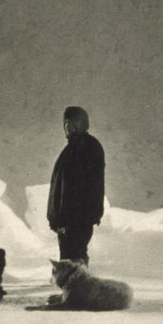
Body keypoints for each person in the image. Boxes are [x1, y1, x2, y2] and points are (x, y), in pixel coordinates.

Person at [46, 105, 105, 266]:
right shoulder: (70, 150)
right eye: (65, 123)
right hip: (67, 220)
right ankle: (69, 291)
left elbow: (91, 186)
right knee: (67, 257)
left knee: (75, 256)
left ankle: (77, 290)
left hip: (78, 219)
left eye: (72, 122)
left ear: (82, 123)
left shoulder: (90, 147)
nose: (67, 127)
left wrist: (80, 217)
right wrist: (56, 218)